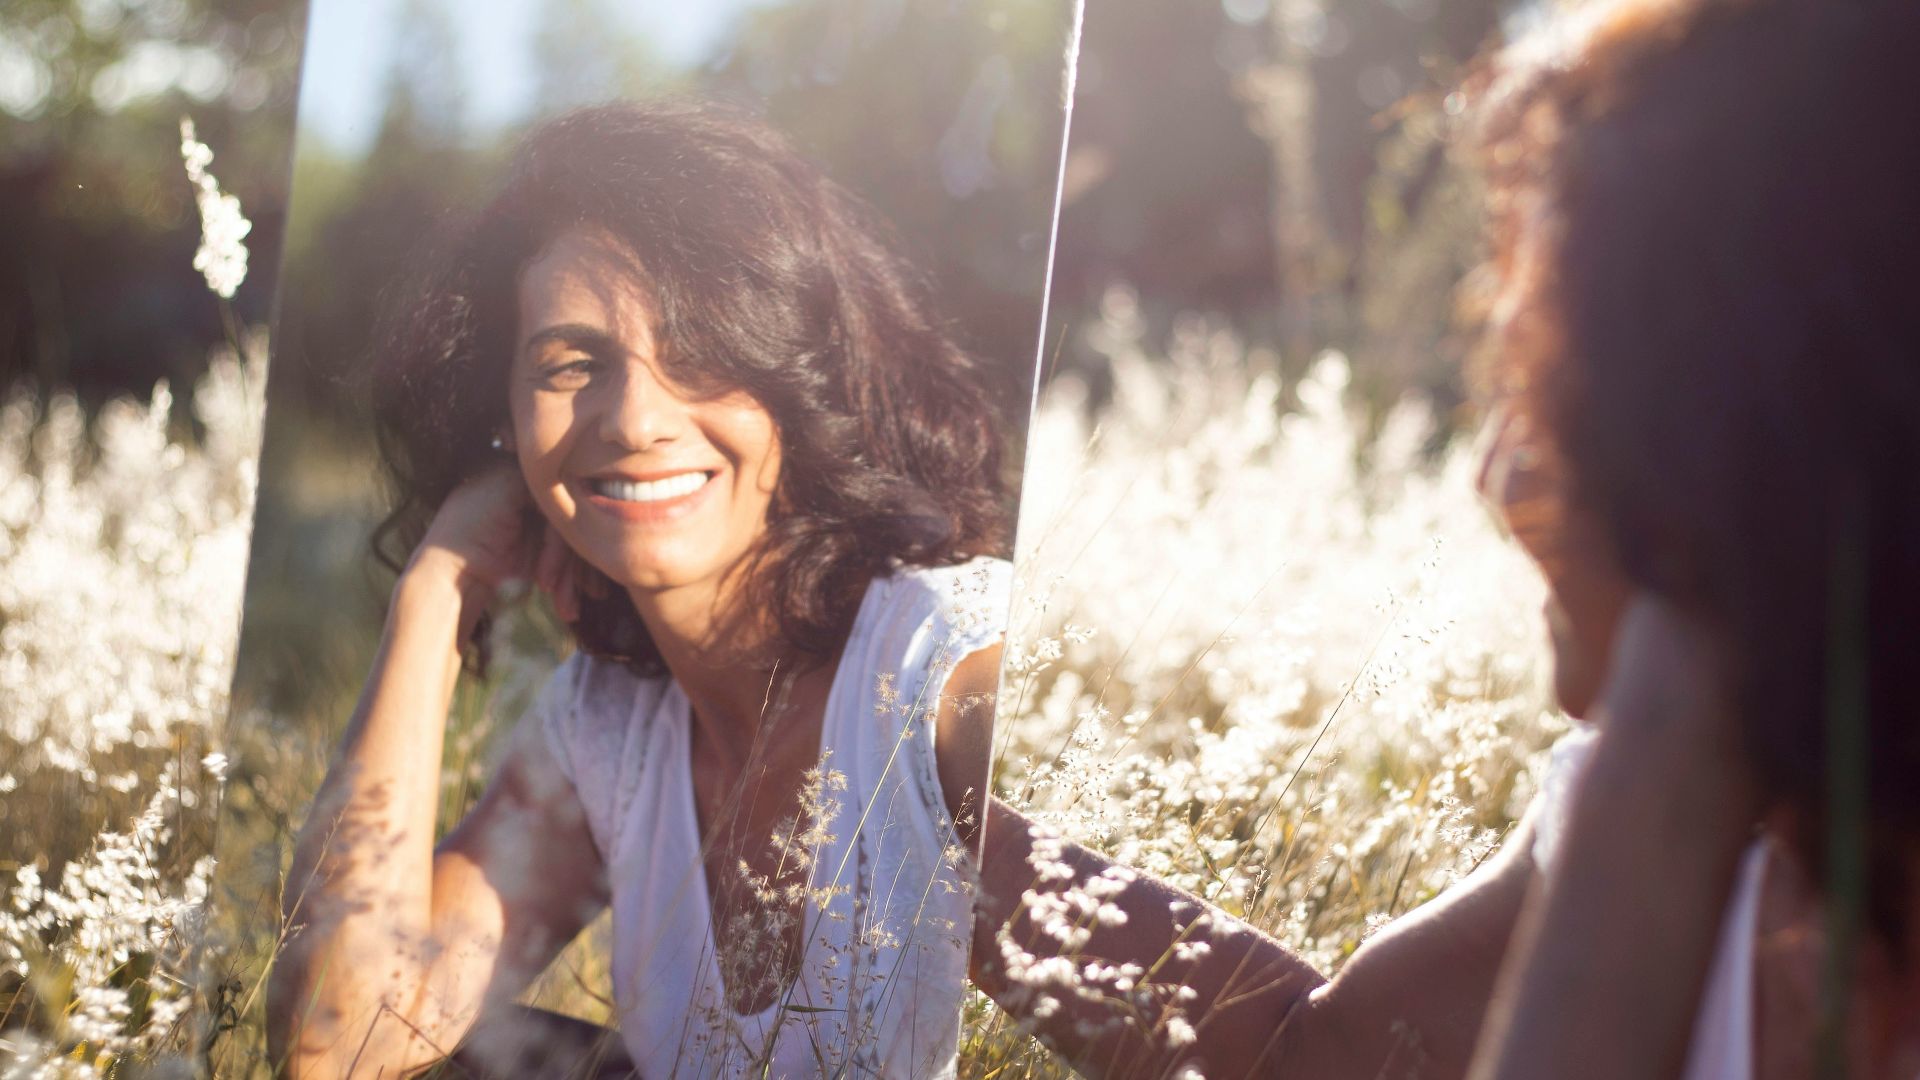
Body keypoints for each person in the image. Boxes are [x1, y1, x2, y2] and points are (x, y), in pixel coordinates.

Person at [968, 0, 1920, 1077]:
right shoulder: (1669, 808)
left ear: (1748, 437)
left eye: (1549, 394)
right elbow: (1313, 1061)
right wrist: (952, 842)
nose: (1498, 479)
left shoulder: (1659, 795)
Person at [265, 100, 1017, 1078]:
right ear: (504, 416)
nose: (633, 419)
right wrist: (438, 588)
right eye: (572, 363)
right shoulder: (609, 731)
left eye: (699, 349)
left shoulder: (946, 664)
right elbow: (343, 1042)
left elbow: (1261, 1024)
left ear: (802, 377)